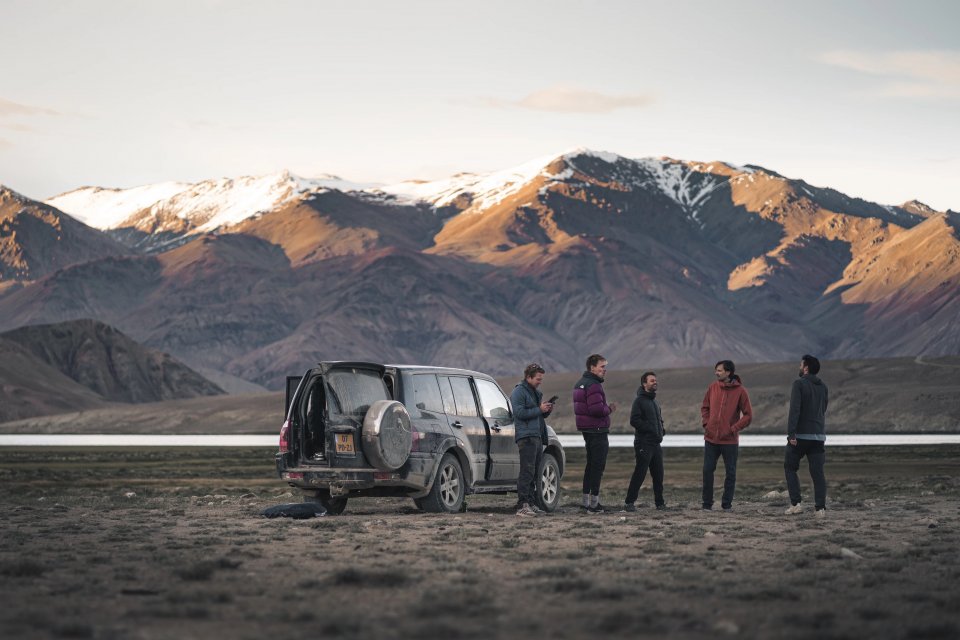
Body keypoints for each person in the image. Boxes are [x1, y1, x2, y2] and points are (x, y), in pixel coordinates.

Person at [700, 360, 753, 510]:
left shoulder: (740, 391)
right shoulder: (713, 387)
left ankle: (726, 504)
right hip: (711, 438)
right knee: (707, 470)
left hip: (729, 441)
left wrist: (733, 429)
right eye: (716, 370)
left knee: (730, 473)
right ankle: (706, 504)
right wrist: (707, 424)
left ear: (728, 372)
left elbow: (748, 415)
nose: (716, 373)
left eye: (719, 370)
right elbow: (705, 407)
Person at [784, 354, 829, 518]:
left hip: (801, 436)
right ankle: (820, 509)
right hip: (818, 437)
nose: (799, 367)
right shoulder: (823, 386)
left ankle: (796, 505)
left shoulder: (799, 384)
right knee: (818, 473)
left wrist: (791, 434)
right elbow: (823, 409)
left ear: (806, 368)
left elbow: (794, 410)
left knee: (790, 467)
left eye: (800, 364)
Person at [573, 354, 617, 513]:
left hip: (587, 430)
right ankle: (594, 504)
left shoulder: (580, 384)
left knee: (590, 465)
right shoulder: (594, 385)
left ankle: (585, 503)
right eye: (602, 366)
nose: (604, 370)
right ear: (592, 367)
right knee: (598, 466)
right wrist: (610, 409)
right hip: (598, 430)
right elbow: (596, 409)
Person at [511, 363, 554, 517]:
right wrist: (539, 409)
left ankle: (531, 503)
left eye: (541, 379)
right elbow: (519, 413)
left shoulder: (535, 393)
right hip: (526, 436)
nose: (540, 381)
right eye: (537, 379)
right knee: (526, 471)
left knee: (534, 472)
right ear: (528, 377)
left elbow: (536, 414)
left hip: (536, 435)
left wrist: (545, 412)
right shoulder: (519, 392)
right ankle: (522, 505)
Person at [622, 371, 665, 511]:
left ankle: (660, 504)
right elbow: (634, 420)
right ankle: (629, 502)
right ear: (644, 384)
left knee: (658, 475)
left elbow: (659, 419)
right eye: (652, 380)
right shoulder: (639, 401)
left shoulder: (655, 401)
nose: (655, 382)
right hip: (644, 443)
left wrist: (661, 430)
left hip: (656, 443)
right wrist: (651, 429)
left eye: (655, 380)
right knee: (640, 473)